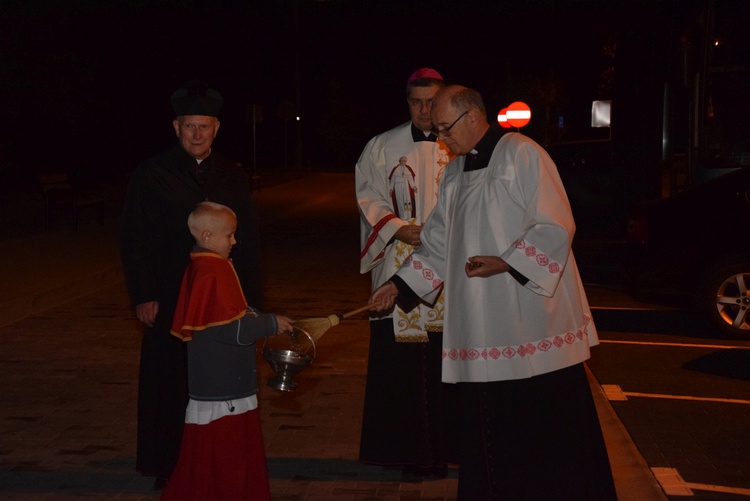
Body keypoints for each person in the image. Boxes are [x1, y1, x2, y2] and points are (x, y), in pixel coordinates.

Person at [368, 85, 617, 500]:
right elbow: (437, 243)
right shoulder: (454, 172)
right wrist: (396, 286)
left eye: (445, 128)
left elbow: (556, 225)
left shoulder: (523, 154)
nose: (441, 138)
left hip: (529, 318)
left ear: (472, 117)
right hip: (481, 322)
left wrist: (507, 261)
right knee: (490, 421)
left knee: (542, 423)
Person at [120, 80, 263, 488]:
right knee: (168, 380)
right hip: (167, 294)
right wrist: (143, 294)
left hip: (220, 299)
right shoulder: (151, 174)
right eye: (189, 127)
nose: (196, 135)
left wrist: (252, 302)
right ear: (176, 127)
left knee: (214, 380)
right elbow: (133, 237)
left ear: (216, 128)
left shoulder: (233, 176)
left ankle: (216, 462)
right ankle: (166, 466)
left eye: (204, 127)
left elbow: (249, 240)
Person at [355, 68, 457, 477]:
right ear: (407, 102)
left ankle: (451, 449)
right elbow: (368, 197)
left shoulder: (459, 143)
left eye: (432, 101)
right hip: (398, 259)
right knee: (403, 367)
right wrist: (399, 227)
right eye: (416, 102)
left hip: (450, 269)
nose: (424, 109)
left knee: (447, 362)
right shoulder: (381, 146)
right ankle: (407, 452)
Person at [160, 202, 293, 501]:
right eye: (229, 235)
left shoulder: (202, 263)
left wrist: (256, 316)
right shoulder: (213, 270)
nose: (234, 241)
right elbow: (229, 329)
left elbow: (232, 312)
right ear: (207, 235)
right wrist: (269, 324)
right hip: (222, 385)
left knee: (215, 455)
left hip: (217, 379)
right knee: (226, 458)